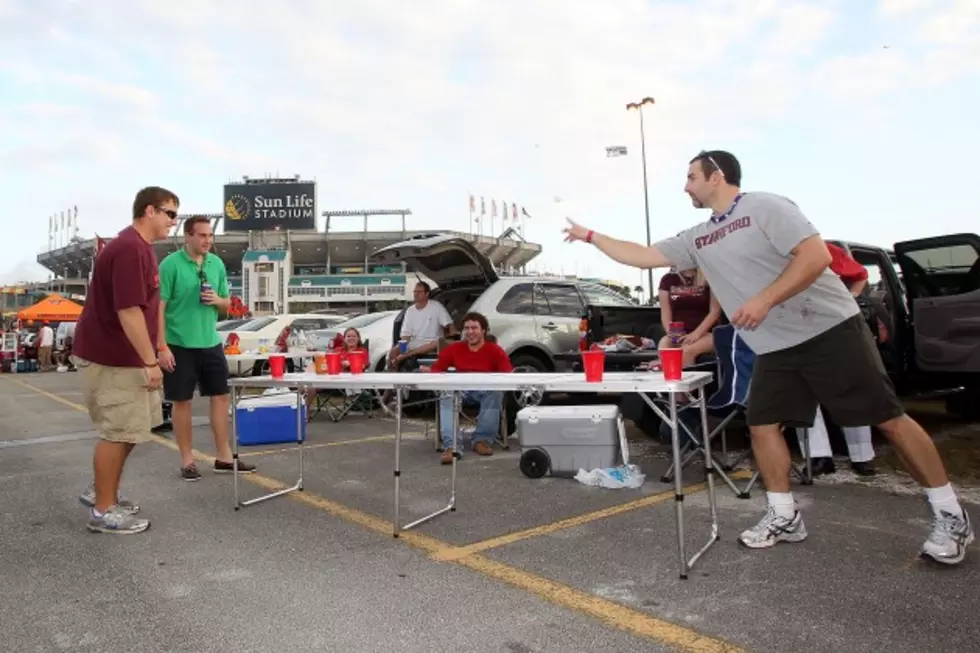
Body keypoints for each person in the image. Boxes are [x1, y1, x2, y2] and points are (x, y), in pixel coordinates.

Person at [562, 150, 973, 565]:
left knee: (889, 419)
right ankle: (784, 515)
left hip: (828, 329)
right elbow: (643, 255)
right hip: (775, 346)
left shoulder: (765, 206)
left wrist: (764, 300)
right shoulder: (699, 236)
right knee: (762, 426)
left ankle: (950, 514)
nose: (685, 185)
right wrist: (591, 236)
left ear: (717, 176)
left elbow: (816, 257)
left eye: (691, 176)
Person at [73, 186, 178, 534]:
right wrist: (149, 361)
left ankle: (104, 492)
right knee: (117, 432)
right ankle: (103, 510)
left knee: (132, 428)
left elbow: (149, 310)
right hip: (113, 358)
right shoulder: (130, 248)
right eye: (170, 214)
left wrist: (160, 347)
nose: (173, 223)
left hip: (128, 357)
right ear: (149, 211)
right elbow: (128, 310)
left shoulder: (140, 249)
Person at [158, 215, 256, 481]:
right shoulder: (170, 265)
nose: (207, 241)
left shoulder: (216, 264)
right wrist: (161, 346)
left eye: (210, 236)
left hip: (210, 342)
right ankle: (188, 460)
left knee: (221, 396)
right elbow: (159, 308)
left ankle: (224, 457)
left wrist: (217, 300)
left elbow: (227, 303)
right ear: (188, 236)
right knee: (182, 402)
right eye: (202, 235)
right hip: (178, 343)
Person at [796, 242, 876, 476]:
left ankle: (862, 456)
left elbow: (860, 274)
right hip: (795, 327)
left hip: (835, 326)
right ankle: (818, 456)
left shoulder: (823, 248)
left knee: (850, 389)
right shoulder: (764, 254)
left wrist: (850, 298)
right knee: (804, 393)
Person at [420, 312, 512, 464]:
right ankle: (452, 446)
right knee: (447, 394)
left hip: (484, 390)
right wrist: (428, 371)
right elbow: (438, 369)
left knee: (495, 393)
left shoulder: (495, 350)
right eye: (467, 328)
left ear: (484, 330)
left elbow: (508, 374)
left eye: (474, 328)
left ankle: (482, 441)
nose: (470, 332)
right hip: (460, 389)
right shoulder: (455, 348)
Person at [657, 267, 722, 366]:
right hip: (680, 333)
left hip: (708, 333)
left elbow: (715, 312)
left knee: (686, 350)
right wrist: (671, 333)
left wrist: (696, 334)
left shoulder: (710, 276)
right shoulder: (668, 280)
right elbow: (665, 314)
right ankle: (668, 379)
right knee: (664, 344)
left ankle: (686, 380)